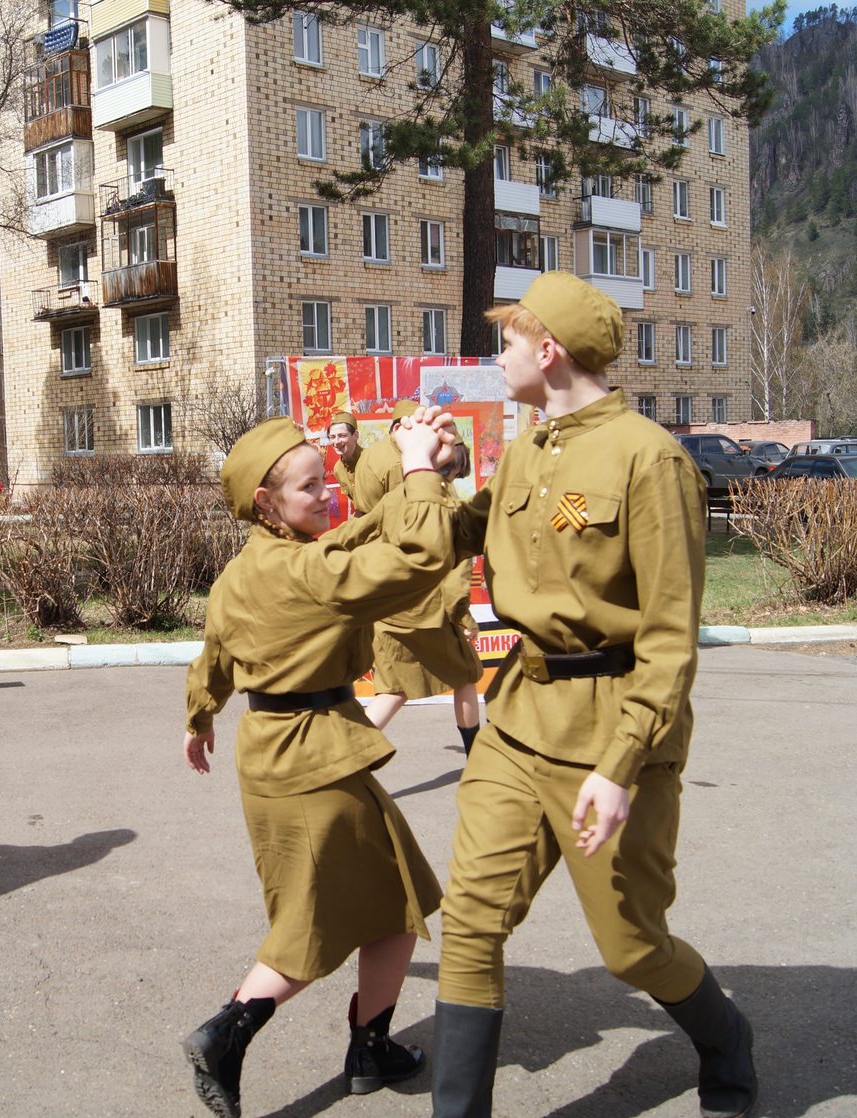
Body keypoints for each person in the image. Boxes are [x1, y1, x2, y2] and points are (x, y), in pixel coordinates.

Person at [428, 272, 756, 1118]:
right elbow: (468, 533)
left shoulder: (650, 458)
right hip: (520, 717)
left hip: (614, 733)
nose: (496, 355)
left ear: (549, 350)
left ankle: (726, 1037)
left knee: (632, 948)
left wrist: (619, 766)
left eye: (507, 341)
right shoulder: (530, 447)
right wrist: (419, 474)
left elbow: (670, 636)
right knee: (470, 921)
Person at [180, 414, 457, 1118]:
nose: (329, 492)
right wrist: (422, 473)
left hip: (295, 752)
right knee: (312, 924)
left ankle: (371, 1047)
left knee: (396, 903)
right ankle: (228, 1030)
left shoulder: (247, 569)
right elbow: (418, 558)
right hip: (312, 764)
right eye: (310, 486)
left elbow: (213, 657)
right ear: (266, 503)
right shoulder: (304, 570)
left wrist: (201, 717)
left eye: (325, 477)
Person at [362, 442, 482, 756]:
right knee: (466, 676)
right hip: (430, 614)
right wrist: (465, 618)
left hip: (389, 609)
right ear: (456, 467)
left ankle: (343, 755)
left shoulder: (394, 497)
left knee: (392, 691)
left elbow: (361, 536)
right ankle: (476, 756)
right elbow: (456, 575)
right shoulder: (451, 505)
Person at [351, 400, 420, 515]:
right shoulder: (397, 463)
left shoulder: (372, 450)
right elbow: (399, 512)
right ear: (397, 428)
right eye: (418, 430)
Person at [328, 411, 363, 510]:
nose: (336, 442)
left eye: (342, 436)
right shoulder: (338, 469)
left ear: (355, 435)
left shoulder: (371, 460)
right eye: (332, 437)